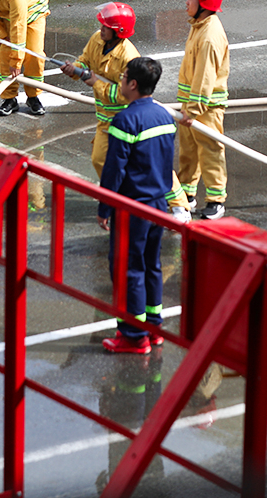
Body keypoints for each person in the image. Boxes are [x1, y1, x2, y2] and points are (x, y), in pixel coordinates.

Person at [61, 2, 194, 220]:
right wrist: (75, 70)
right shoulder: (97, 39)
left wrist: (96, 83)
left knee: (154, 163)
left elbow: (126, 94)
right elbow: (85, 61)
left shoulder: (129, 57)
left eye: (105, 26)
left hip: (127, 118)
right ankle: (118, 198)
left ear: (119, 32)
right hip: (106, 119)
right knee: (100, 159)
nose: (101, 28)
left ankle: (180, 206)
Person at [97, 57, 177, 355]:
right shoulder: (164, 115)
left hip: (132, 208)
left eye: (123, 77)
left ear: (133, 84)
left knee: (129, 269)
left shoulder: (125, 120)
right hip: (158, 205)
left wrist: (105, 207)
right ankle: (153, 327)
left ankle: (132, 335)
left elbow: (113, 171)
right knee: (152, 266)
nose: (120, 82)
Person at [176, 0, 230, 220]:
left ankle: (216, 200)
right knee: (188, 151)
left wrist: (193, 109)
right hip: (192, 105)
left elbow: (205, 77)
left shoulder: (209, 35)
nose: (186, 2)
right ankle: (187, 193)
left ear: (204, 3)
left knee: (209, 150)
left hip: (205, 106)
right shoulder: (199, 24)